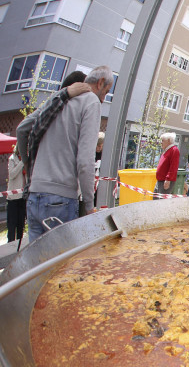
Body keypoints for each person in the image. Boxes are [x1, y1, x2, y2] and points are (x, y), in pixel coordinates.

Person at [17, 66, 111, 243]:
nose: (104, 99)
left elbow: (22, 129)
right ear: (100, 83)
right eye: (106, 92)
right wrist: (89, 207)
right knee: (62, 266)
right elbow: (85, 161)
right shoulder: (90, 101)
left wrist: (29, 165)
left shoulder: (58, 98)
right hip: (60, 199)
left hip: (34, 195)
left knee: (38, 266)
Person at [6, 147, 25, 244]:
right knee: (12, 227)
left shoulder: (26, 159)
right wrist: (21, 163)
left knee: (20, 226)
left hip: (22, 198)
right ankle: (10, 248)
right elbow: (12, 174)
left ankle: (19, 247)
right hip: (12, 199)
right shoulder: (12, 159)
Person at [154, 132, 180, 197]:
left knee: (161, 201)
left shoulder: (174, 150)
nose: (161, 142)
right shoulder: (166, 150)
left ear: (168, 140)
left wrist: (168, 179)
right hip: (160, 180)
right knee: (155, 200)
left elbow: (173, 166)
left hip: (165, 181)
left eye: (163, 140)